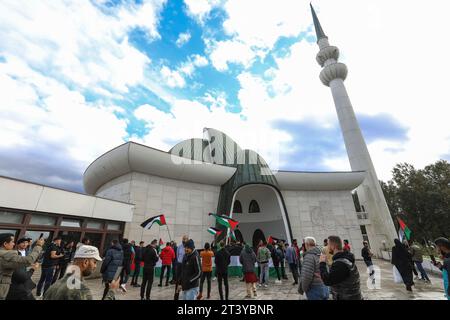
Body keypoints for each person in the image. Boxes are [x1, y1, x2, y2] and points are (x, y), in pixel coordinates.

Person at [44, 245, 119, 300]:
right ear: (85, 262)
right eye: (94, 262)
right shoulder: (81, 290)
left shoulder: (54, 286)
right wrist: (111, 291)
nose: (95, 266)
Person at [0, 234, 44, 300]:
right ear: (5, 243)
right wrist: (38, 246)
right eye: (12, 242)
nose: (14, 244)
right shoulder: (7, 254)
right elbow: (29, 260)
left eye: (26, 243)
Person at [319, 236, 363, 300]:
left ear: (333, 246)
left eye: (328, 244)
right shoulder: (345, 259)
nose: (327, 247)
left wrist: (322, 263)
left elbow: (327, 281)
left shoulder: (340, 264)